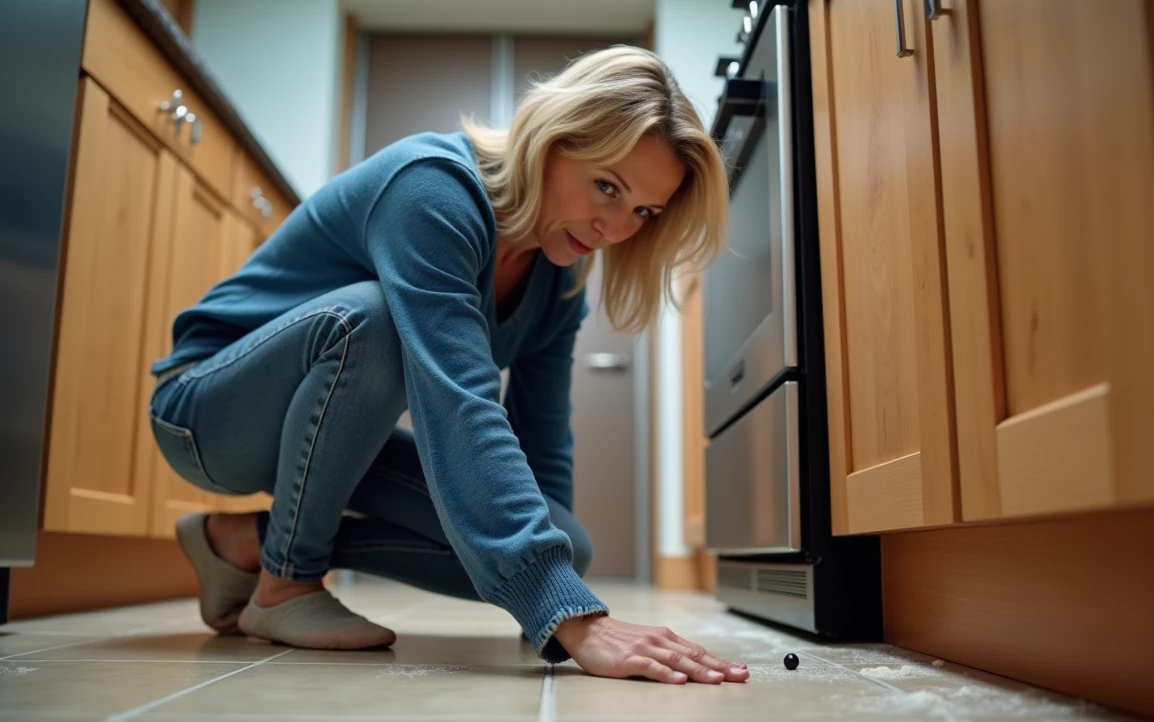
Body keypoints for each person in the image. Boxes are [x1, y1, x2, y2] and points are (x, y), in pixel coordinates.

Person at [148, 45, 747, 685]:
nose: (615, 228)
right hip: (206, 413)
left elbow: (543, 442)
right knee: (374, 321)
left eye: (643, 212)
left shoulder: (559, 283)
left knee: (566, 547)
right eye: (607, 187)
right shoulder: (432, 190)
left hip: (329, 440)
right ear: (552, 140)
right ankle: (285, 584)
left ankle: (241, 543)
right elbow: (459, 399)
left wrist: (552, 601)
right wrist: (570, 614)